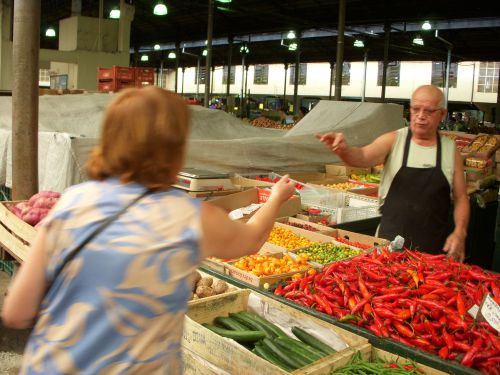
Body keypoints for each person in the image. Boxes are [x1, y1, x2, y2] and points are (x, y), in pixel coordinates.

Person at [2, 87, 296, 374]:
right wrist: (275, 198)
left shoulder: (73, 201)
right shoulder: (188, 217)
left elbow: (16, 311)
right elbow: (252, 239)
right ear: (174, 148)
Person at [316, 85, 469, 262]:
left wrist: (460, 232)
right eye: (415, 109)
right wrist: (344, 150)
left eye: (428, 111)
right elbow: (363, 157)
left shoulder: (451, 152)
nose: (420, 116)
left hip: (432, 249)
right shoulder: (395, 140)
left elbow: (461, 198)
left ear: (442, 114)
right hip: (389, 242)